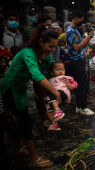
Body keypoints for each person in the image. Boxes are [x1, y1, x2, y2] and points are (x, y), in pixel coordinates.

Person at [0, 25, 60, 167]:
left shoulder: (44, 54)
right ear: (41, 42)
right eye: (50, 46)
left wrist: (64, 80)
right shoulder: (28, 53)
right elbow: (36, 74)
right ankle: (34, 158)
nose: (52, 50)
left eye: (55, 48)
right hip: (10, 88)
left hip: (21, 89)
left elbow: (52, 68)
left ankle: (18, 148)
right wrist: (55, 92)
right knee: (24, 121)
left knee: (21, 119)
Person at [66, 10, 94, 115]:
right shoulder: (70, 31)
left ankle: (79, 106)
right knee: (82, 84)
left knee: (82, 83)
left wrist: (89, 37)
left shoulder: (75, 30)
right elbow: (76, 47)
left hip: (80, 60)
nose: (81, 23)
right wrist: (88, 37)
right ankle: (82, 107)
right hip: (75, 61)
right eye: (81, 20)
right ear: (76, 18)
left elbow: (81, 45)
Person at [45, 61, 77, 130]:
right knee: (48, 107)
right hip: (54, 98)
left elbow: (75, 83)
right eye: (57, 69)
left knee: (50, 93)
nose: (60, 71)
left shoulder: (65, 77)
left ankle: (58, 110)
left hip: (63, 94)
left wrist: (73, 86)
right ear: (52, 72)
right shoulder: (50, 80)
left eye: (62, 69)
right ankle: (54, 124)